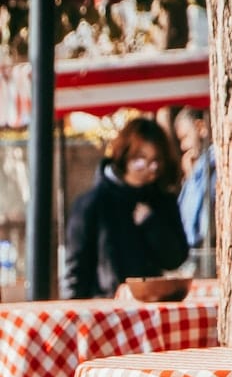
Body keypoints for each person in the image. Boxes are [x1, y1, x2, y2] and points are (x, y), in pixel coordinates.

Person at [63, 116, 189, 299]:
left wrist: (152, 225)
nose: (150, 168)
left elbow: (175, 258)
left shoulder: (162, 200)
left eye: (156, 161)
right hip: (105, 309)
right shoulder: (92, 204)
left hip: (150, 307)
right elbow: (75, 272)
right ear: (125, 156)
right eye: (141, 160)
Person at [174, 106, 216, 251]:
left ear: (200, 127)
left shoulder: (213, 164)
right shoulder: (197, 169)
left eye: (185, 137)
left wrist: (192, 180)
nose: (183, 146)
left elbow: (194, 227)